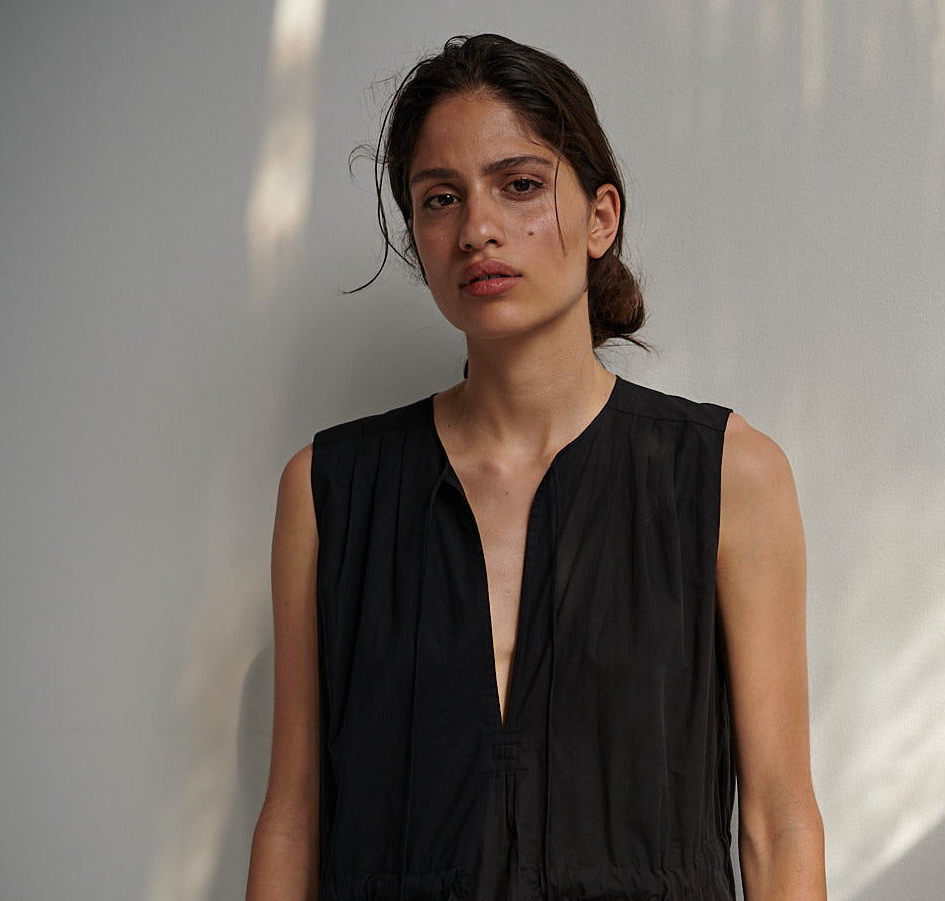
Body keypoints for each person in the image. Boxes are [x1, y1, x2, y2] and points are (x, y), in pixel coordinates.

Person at [245, 34, 825, 901]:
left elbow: (778, 820)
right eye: (441, 198)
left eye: (519, 185)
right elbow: (292, 815)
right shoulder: (330, 491)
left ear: (601, 217)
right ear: (419, 236)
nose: (477, 228)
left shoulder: (729, 476)